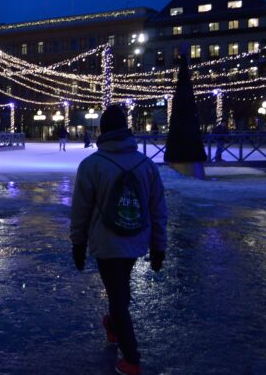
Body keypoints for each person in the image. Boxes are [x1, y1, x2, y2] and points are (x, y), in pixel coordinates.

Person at [70, 105, 167, 375]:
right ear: (126, 129)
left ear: (102, 131)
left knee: (117, 294)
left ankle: (132, 359)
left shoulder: (92, 165)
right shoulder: (146, 165)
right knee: (120, 288)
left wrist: (78, 243)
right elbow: (158, 209)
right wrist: (159, 246)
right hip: (136, 239)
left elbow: (80, 209)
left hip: (106, 241)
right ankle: (113, 325)